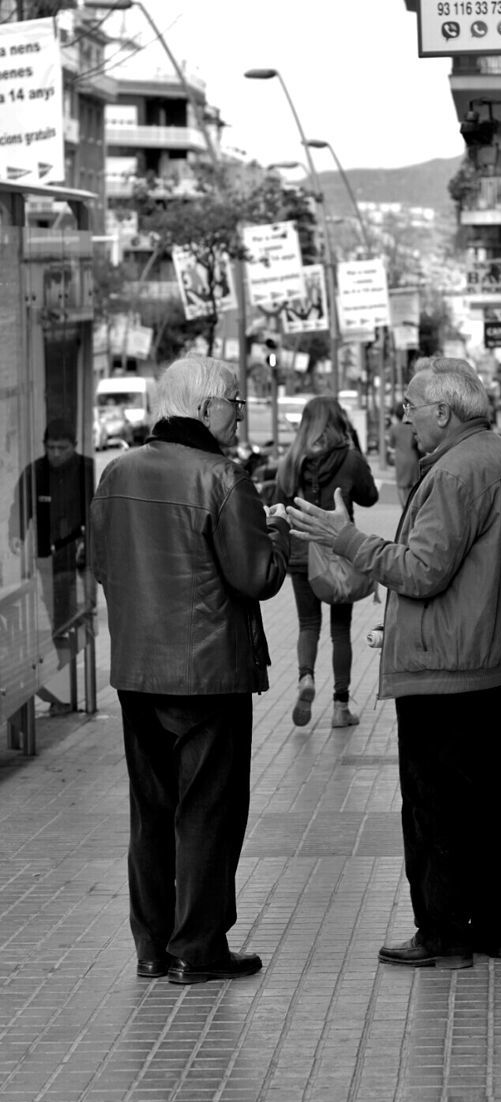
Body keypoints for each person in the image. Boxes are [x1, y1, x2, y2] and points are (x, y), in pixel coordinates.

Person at [287, 357, 501, 969]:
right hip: (489, 666)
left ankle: (443, 935)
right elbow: (477, 576)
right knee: (488, 802)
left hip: (447, 675)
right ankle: (494, 928)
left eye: (410, 405)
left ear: (443, 411)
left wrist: (342, 536)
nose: (402, 416)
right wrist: (405, 624)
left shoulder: (455, 473)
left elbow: (422, 569)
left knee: (436, 808)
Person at [90, 357, 289, 985]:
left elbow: (102, 564)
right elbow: (255, 575)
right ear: (203, 410)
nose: (239, 411)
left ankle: (151, 946)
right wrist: (279, 538)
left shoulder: (117, 473)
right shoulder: (224, 479)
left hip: (136, 669)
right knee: (207, 811)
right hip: (208, 673)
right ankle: (197, 948)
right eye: (234, 400)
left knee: (151, 810)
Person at [274, 395, 378, 729]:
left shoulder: (291, 460)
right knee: (340, 631)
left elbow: (280, 502)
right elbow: (370, 496)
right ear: (339, 421)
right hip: (338, 552)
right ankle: (340, 707)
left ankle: (306, 679)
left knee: (308, 624)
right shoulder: (349, 459)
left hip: (300, 554)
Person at [8, 418, 95, 715]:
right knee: (61, 619)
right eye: (51, 447)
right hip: (48, 557)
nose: (56, 453)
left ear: (74, 446)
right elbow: (20, 506)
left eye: (62, 448)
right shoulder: (36, 471)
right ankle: (63, 689)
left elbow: (97, 509)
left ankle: (68, 690)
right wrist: (16, 535)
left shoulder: (85, 469)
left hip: (80, 556)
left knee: (73, 619)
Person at [387, 400, 423, 508]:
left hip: (401, 461)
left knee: (402, 489)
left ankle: (406, 511)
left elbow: (391, 445)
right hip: (414, 459)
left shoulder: (394, 428)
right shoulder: (414, 426)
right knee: (415, 488)